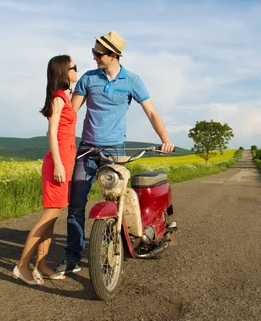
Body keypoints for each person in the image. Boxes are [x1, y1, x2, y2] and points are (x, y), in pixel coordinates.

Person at [55, 31, 175, 275]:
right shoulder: (88, 79)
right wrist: (56, 120)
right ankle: (72, 258)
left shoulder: (132, 80)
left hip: (115, 152)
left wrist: (165, 139)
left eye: (98, 54)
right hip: (87, 149)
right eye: (94, 52)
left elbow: (150, 112)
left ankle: (115, 244)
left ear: (113, 55)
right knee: (76, 205)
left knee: (118, 202)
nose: (94, 57)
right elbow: (72, 113)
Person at [13, 54, 78, 286]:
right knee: (47, 216)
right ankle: (22, 266)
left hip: (66, 161)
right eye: (74, 67)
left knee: (53, 217)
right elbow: (51, 132)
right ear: (64, 72)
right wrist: (59, 163)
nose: (76, 71)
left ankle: (41, 264)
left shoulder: (66, 97)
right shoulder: (58, 97)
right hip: (57, 164)